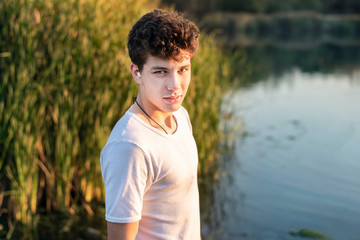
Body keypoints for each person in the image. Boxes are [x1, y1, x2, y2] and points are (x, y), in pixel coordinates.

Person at [100, 9, 201, 240]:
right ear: (137, 72)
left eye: (183, 69)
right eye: (160, 72)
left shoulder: (180, 117)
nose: (175, 85)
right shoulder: (129, 147)